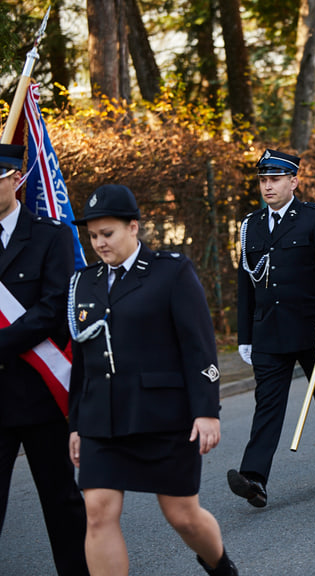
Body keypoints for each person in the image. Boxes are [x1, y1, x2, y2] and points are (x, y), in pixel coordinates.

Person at [67, 185, 236, 576]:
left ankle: (221, 566)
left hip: (162, 417)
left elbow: (199, 347)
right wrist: (75, 423)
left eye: (107, 234)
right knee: (97, 512)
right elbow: (82, 358)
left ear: (133, 227)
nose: (99, 244)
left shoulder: (170, 272)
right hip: (102, 420)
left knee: (183, 515)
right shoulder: (83, 283)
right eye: (92, 236)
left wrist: (207, 411)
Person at [228, 150, 315, 507]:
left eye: (275, 179)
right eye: (264, 180)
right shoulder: (250, 225)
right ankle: (254, 478)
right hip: (268, 331)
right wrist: (245, 336)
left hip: (311, 328)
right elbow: (245, 283)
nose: (268, 186)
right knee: (267, 404)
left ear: (293, 182)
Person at [0, 144, 89, 576]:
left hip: (41, 395)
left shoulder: (51, 235)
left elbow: (53, 307)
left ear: (16, 179)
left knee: (62, 504)